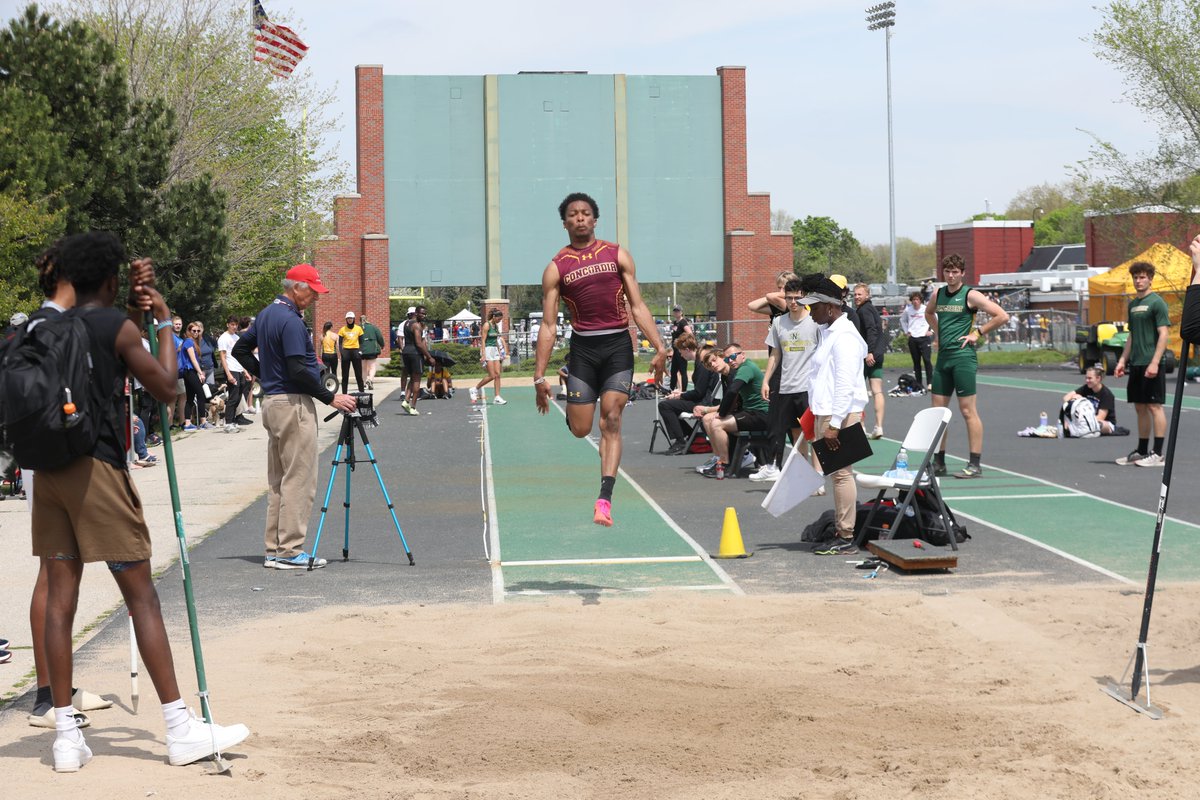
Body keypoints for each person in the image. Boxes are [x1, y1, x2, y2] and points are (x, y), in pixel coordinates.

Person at [35, 231, 248, 771]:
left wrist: (137, 311)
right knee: (141, 598)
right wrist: (165, 323)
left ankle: (65, 737)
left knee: (61, 601)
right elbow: (168, 387)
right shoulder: (117, 326)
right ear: (108, 278)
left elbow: (111, 356)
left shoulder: (56, 323)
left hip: (50, 475)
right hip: (98, 473)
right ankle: (179, 728)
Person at [533, 192, 667, 526]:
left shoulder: (617, 254)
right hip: (583, 351)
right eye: (573, 214)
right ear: (565, 222)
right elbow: (549, 326)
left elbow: (638, 306)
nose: (580, 218)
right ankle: (577, 406)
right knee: (581, 429)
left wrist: (660, 348)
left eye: (586, 213)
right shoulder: (556, 267)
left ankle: (604, 499)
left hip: (617, 347)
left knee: (612, 418)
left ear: (595, 219)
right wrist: (539, 377)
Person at [22, 241, 114, 731]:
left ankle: (52, 689)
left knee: (56, 574)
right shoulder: (59, 325)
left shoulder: (31, 324)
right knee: (56, 576)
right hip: (63, 458)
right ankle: (46, 695)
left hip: (42, 456)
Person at [232, 263, 357, 570]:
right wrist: (330, 398)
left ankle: (276, 549)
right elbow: (297, 369)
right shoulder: (290, 320)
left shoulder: (266, 314)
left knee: (279, 479)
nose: (314, 298)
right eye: (312, 292)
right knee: (299, 478)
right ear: (297, 287)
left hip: (273, 402)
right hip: (292, 403)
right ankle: (289, 550)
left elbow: (241, 350)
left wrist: (266, 376)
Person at [796, 275, 869, 554]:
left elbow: (844, 384)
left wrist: (835, 424)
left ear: (829, 306)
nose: (810, 312)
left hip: (839, 414)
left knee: (841, 474)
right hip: (828, 412)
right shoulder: (830, 332)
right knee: (838, 474)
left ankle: (846, 535)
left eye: (814, 307)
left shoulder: (845, 337)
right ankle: (842, 531)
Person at [925, 253, 1010, 479]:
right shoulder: (938, 294)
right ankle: (939, 463)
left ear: (962, 273)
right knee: (938, 413)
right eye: (947, 271)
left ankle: (975, 464)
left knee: (967, 411)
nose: (951, 276)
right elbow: (928, 312)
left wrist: (977, 333)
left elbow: (1002, 315)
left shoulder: (970, 295)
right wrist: (938, 332)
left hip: (963, 358)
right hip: (943, 359)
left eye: (955, 272)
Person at [753, 278, 819, 482]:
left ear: (804, 297)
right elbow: (775, 354)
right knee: (796, 434)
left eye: (797, 298)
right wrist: (766, 380)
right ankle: (804, 476)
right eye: (789, 298)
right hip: (786, 387)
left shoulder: (815, 322)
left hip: (808, 388)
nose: (792, 302)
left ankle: (817, 475)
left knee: (813, 434)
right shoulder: (779, 322)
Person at [1114, 260, 1171, 467]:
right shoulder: (1133, 305)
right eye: (1136, 277)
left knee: (1155, 407)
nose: (1138, 281)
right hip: (1137, 363)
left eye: (1142, 277)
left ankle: (1158, 454)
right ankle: (1142, 450)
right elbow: (1132, 335)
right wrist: (1122, 360)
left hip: (1152, 362)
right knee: (1140, 407)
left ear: (1150, 279)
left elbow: (1164, 334)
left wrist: (1155, 362)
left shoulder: (1157, 303)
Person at [692, 344, 770, 480]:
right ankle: (719, 459)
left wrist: (719, 413)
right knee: (709, 419)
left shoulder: (744, 369)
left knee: (716, 423)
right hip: (749, 412)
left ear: (743, 355)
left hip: (759, 414)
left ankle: (725, 464)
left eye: (733, 357)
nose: (731, 360)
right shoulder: (730, 373)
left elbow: (733, 394)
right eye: (728, 358)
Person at [658, 338, 718, 454]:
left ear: (687, 349)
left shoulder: (702, 364)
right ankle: (692, 437)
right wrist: (681, 394)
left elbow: (699, 392)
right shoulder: (699, 362)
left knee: (665, 406)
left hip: (704, 403)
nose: (680, 355)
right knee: (669, 405)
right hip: (702, 399)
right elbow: (700, 390)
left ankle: (682, 441)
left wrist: (680, 396)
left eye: (680, 352)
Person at [853, 282, 887, 439]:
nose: (856, 297)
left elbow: (871, 330)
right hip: (877, 354)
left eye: (860, 294)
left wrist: (870, 352)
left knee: (859, 391)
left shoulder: (864, 310)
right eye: (855, 294)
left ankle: (861, 426)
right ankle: (878, 426)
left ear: (867, 295)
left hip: (868, 355)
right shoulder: (871, 309)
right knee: (877, 390)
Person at [1061, 366, 1121, 435]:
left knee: (1098, 424)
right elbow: (1066, 397)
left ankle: (1077, 429)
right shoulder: (1086, 388)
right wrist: (1076, 400)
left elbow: (1100, 417)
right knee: (1074, 397)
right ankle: (1078, 429)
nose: (1087, 381)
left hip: (1104, 423)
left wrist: (1080, 421)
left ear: (1098, 378)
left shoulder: (1106, 394)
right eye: (1086, 378)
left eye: (1090, 378)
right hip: (1086, 421)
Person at [399, 305, 435, 415]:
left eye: (425, 314)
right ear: (416, 313)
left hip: (406, 352)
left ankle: (406, 400)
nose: (424, 316)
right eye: (422, 313)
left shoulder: (406, 323)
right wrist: (429, 356)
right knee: (417, 380)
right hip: (415, 353)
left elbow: (401, 338)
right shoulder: (417, 326)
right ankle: (413, 406)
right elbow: (419, 343)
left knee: (412, 377)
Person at [217, 315, 250, 433]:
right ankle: (228, 422)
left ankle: (234, 420)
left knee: (239, 397)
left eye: (236, 325)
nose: (234, 327)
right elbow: (223, 357)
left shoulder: (236, 337)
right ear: (227, 325)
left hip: (239, 369)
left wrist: (245, 371)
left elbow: (240, 356)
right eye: (232, 324)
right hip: (231, 369)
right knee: (233, 397)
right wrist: (228, 374)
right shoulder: (223, 338)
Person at [472, 308, 507, 404]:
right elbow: (483, 340)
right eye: (499, 319)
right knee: (492, 375)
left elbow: (496, 340)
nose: (499, 321)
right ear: (494, 317)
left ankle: (497, 397)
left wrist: (500, 352)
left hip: (495, 350)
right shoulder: (486, 325)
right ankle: (475, 389)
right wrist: (483, 354)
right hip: (487, 350)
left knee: (498, 374)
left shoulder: (495, 326)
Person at [900, 291, 933, 391]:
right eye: (913, 299)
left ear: (920, 300)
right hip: (913, 338)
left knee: (927, 360)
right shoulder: (908, 310)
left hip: (924, 337)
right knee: (916, 362)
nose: (915, 301)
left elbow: (935, 318)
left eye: (917, 299)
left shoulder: (926, 309)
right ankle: (919, 384)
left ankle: (930, 383)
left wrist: (931, 331)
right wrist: (906, 331)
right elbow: (902, 320)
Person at [181, 321, 209, 430]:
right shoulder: (189, 342)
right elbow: (193, 360)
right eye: (194, 331)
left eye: (198, 331)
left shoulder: (192, 342)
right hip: (190, 371)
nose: (196, 332)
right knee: (201, 394)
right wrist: (200, 373)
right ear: (189, 331)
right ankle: (203, 421)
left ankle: (187, 423)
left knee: (190, 398)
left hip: (188, 372)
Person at [337, 311, 365, 394]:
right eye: (348, 318)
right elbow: (340, 342)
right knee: (345, 375)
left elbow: (362, 341)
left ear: (354, 319)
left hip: (356, 351)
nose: (350, 320)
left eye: (351, 318)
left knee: (358, 375)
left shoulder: (358, 328)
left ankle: (362, 393)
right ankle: (344, 393)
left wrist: (360, 351)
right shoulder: (342, 329)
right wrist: (342, 352)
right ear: (346, 319)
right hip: (346, 351)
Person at [668, 304, 693, 393]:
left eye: (678, 311)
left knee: (683, 371)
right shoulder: (675, 323)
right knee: (673, 371)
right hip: (675, 350)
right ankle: (671, 389)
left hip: (681, 350)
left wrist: (684, 344)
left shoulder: (683, 322)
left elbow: (690, 333)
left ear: (681, 312)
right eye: (675, 311)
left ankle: (684, 391)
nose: (676, 312)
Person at [359, 314, 386, 390]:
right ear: (367, 319)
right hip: (372, 350)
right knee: (372, 367)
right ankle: (370, 380)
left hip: (361, 350)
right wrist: (382, 345)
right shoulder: (373, 327)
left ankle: (364, 383)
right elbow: (379, 337)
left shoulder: (358, 328)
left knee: (363, 368)